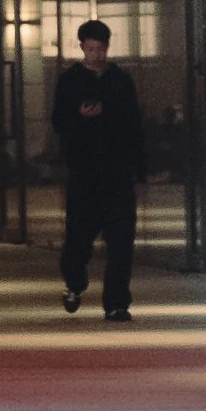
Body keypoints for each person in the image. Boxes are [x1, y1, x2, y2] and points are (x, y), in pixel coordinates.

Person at [53, 18, 147, 323]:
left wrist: (139, 171)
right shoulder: (70, 81)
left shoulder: (120, 80)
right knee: (78, 238)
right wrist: (79, 118)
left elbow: (134, 124)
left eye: (100, 48)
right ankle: (75, 281)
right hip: (84, 173)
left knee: (121, 240)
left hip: (117, 173)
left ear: (107, 48)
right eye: (90, 48)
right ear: (82, 48)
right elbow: (59, 121)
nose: (96, 54)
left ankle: (117, 303)